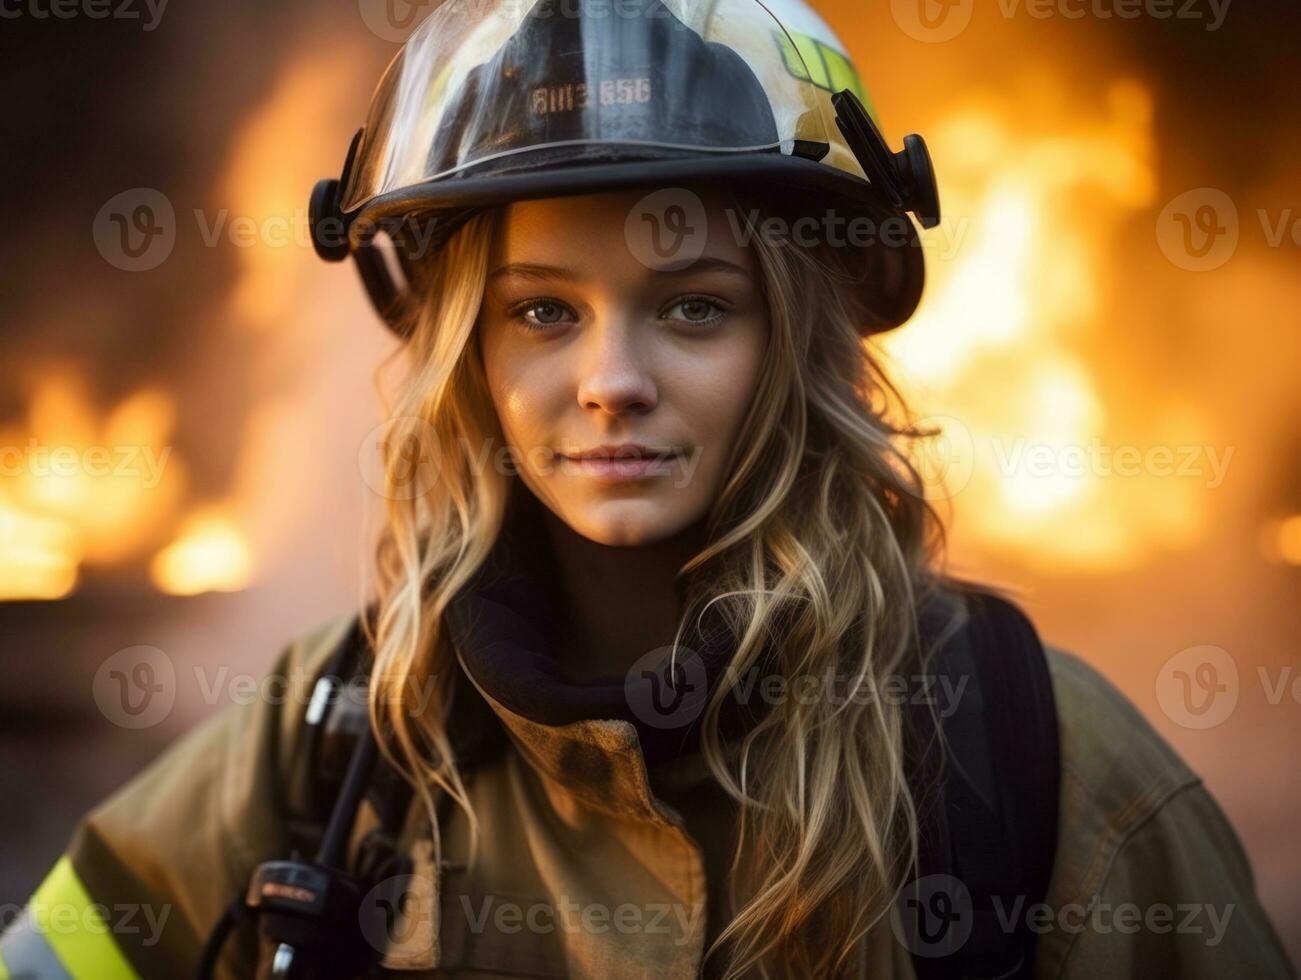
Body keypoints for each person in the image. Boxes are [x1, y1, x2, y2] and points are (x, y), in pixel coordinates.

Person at [2, 1, 1293, 978]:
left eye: (691, 308)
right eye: (544, 312)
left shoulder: (1025, 761)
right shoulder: (340, 734)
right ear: (470, 361)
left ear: (792, 344)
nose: (610, 380)